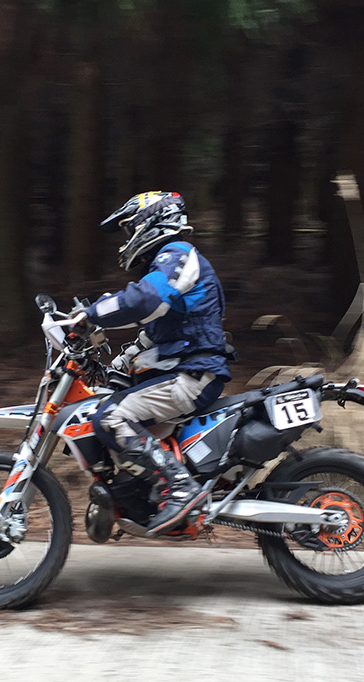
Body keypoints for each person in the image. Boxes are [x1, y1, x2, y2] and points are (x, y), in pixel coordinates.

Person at [81, 191, 232, 535]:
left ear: (150, 222)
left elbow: (144, 299)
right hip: (185, 371)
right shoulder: (166, 265)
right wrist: (114, 367)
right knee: (111, 406)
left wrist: (90, 315)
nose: (126, 238)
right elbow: (150, 337)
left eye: (128, 228)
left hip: (193, 375)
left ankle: (180, 488)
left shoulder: (177, 254)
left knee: (111, 417)